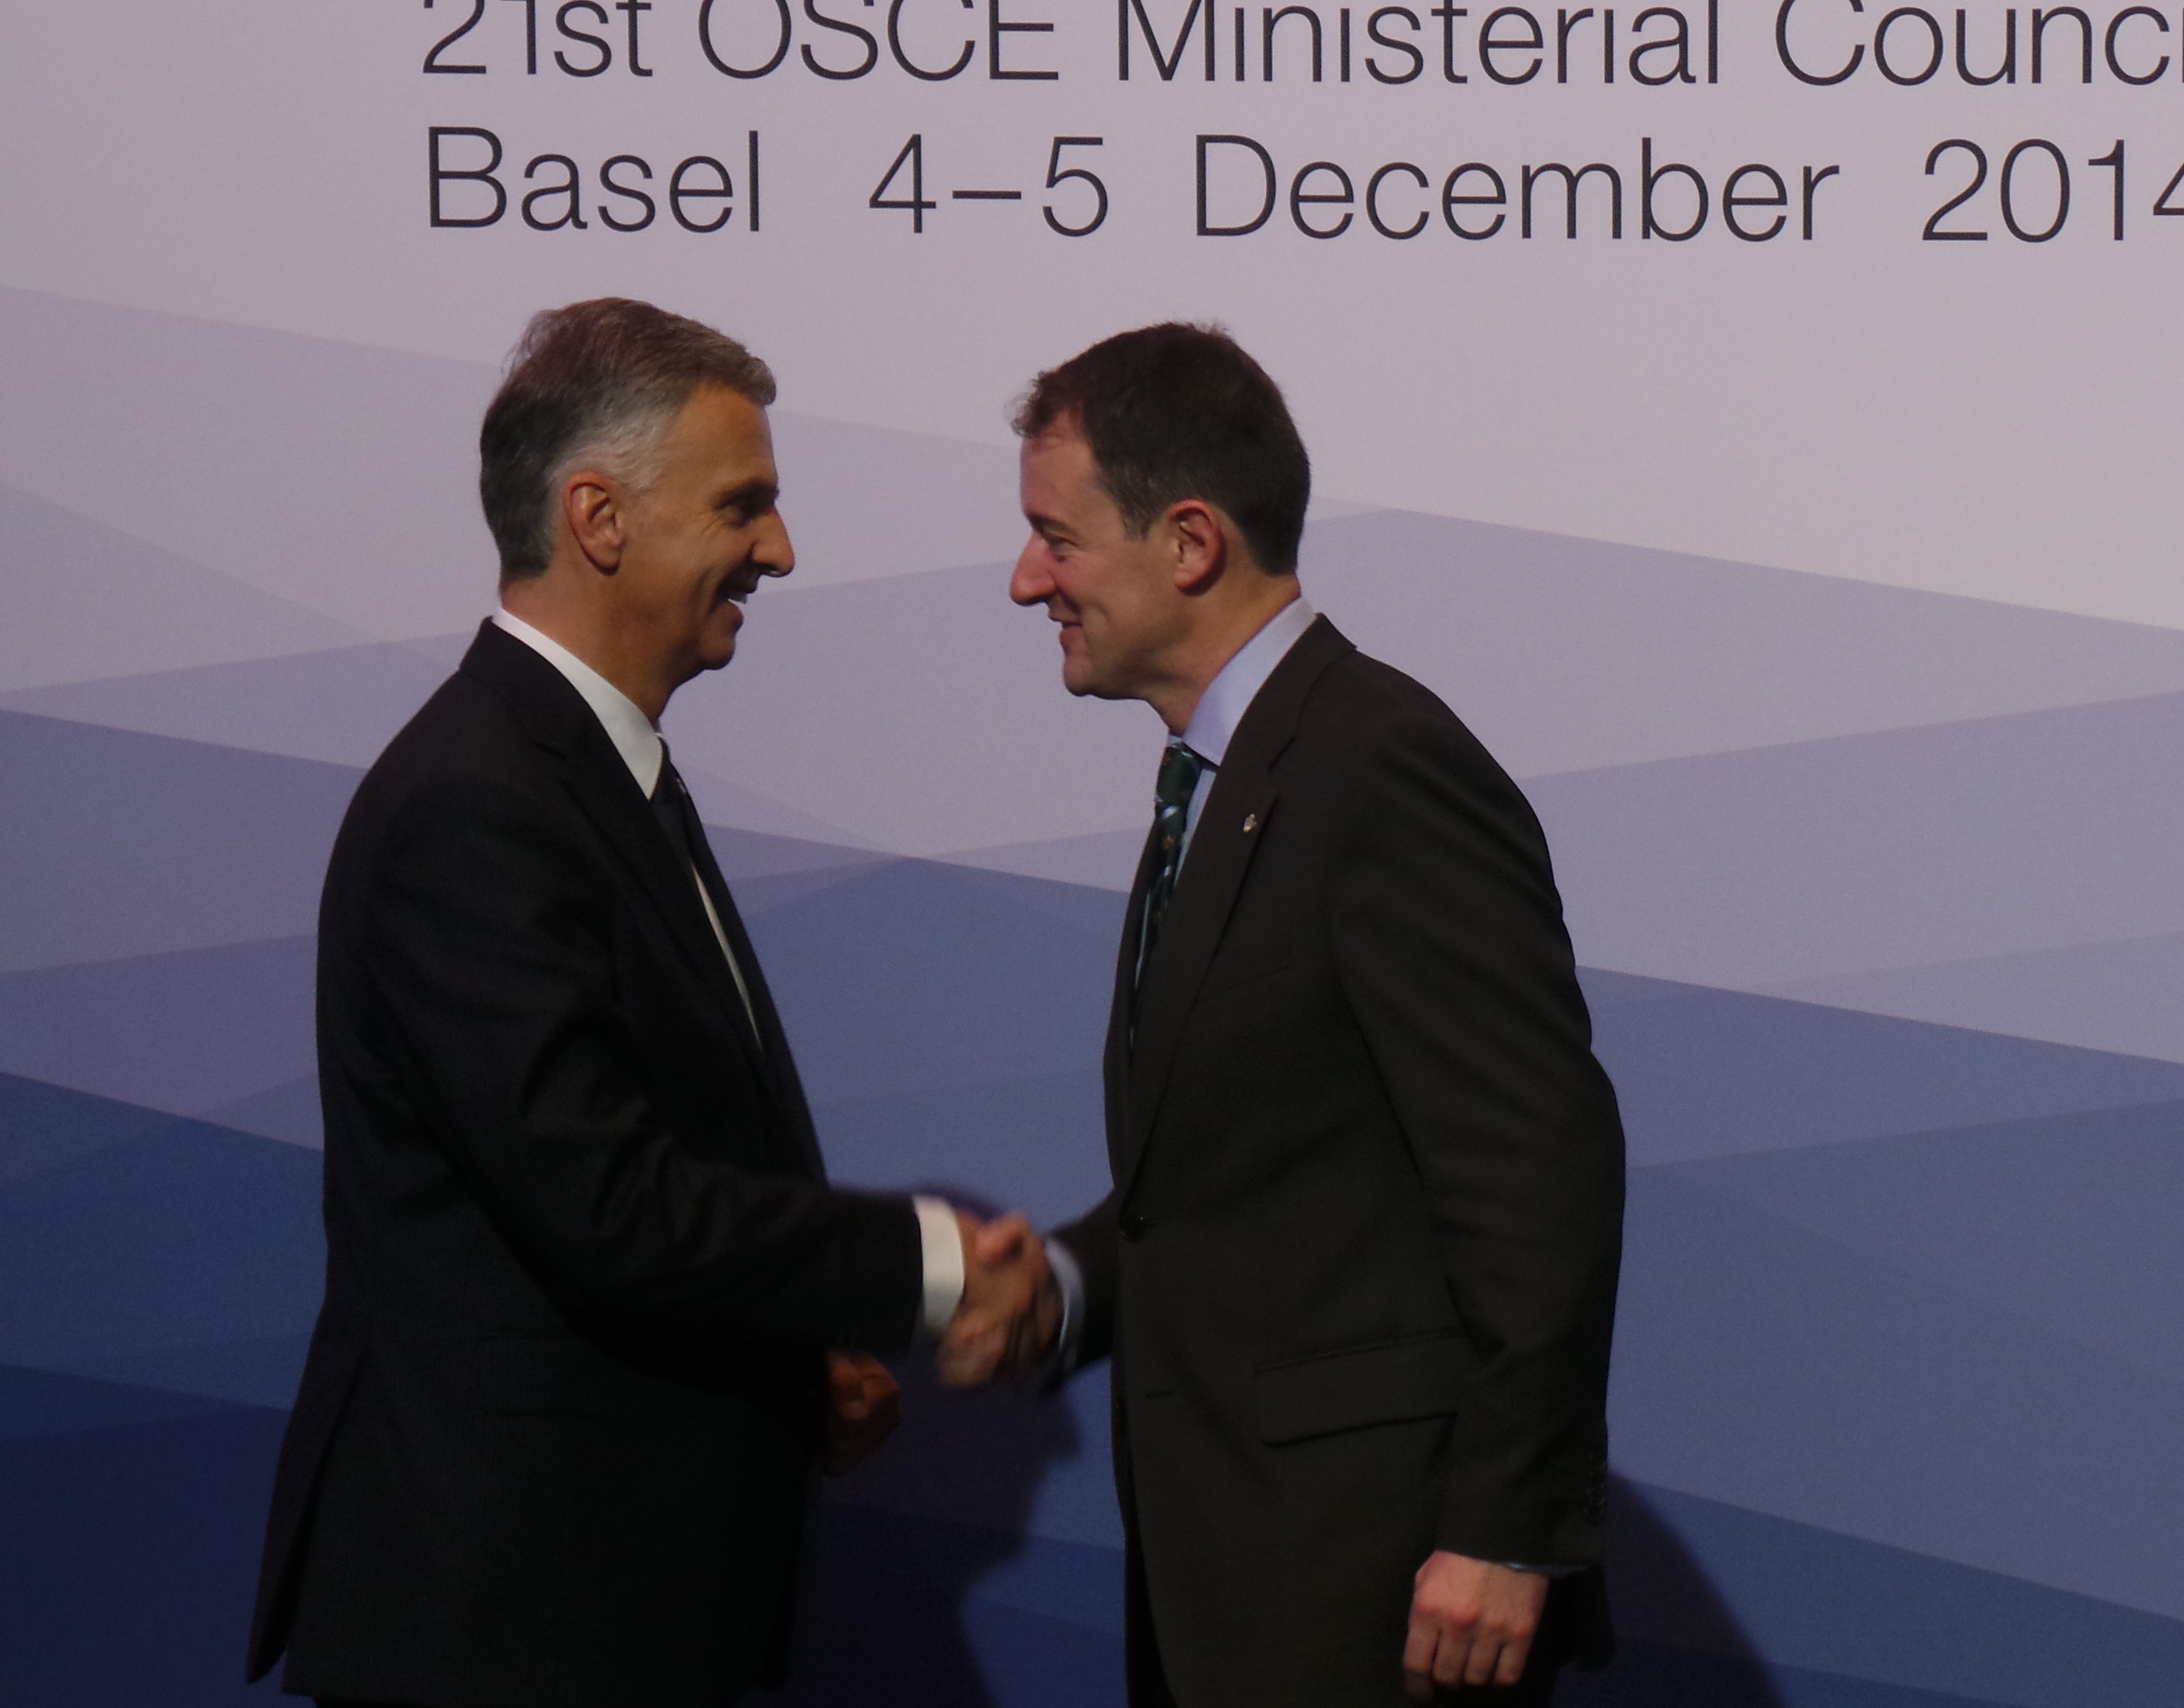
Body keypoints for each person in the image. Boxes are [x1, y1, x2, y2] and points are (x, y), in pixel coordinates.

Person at [243, 298, 1059, 1708]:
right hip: (510, 1632)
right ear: (599, 519)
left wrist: (792, 1373)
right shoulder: (477, 808)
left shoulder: (585, 779)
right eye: (743, 506)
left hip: (599, 1609)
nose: (781, 553)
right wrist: (929, 1268)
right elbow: (604, 1201)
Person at [1004, 324, 1625, 1705]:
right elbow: (1250, 1179)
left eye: (1059, 541)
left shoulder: (1382, 768)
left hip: (1377, 1591)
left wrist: (1503, 1529)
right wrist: (1056, 1286)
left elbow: (1538, 1169)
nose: (1024, 580)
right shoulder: (1228, 781)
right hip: (1239, 1578)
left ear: (1189, 542)